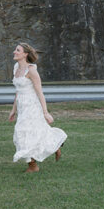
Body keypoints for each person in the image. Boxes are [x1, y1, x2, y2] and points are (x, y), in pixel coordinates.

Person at [8, 42, 67, 173]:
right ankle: (54, 146)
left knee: (23, 133)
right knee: (34, 132)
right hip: (22, 106)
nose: (14, 52)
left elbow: (40, 92)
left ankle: (33, 166)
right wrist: (13, 110)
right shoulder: (16, 67)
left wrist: (45, 112)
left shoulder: (32, 71)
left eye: (17, 50)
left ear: (25, 54)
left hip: (32, 106)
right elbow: (18, 90)